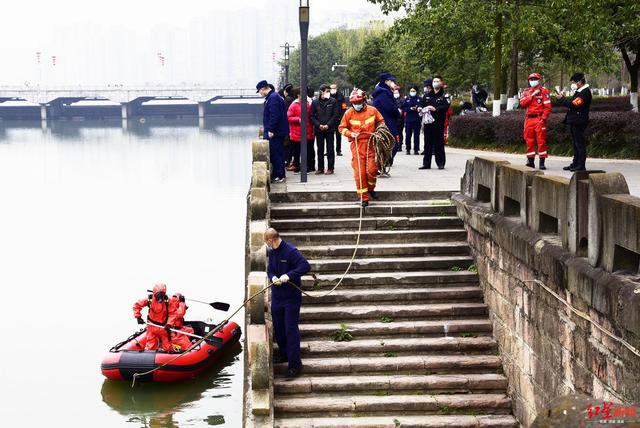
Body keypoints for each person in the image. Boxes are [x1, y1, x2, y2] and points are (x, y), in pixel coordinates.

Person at [265, 227, 310, 379]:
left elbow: (305, 266)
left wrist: (289, 276)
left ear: (272, 240)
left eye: (268, 242)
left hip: (291, 297)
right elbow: (270, 269)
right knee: (279, 327)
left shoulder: (291, 251)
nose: (268, 245)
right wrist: (272, 277)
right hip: (277, 297)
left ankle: (295, 364)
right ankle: (284, 354)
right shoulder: (271, 252)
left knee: (290, 329)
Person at [338, 88, 385, 207]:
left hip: (371, 143)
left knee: (372, 170)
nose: (357, 105)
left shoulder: (372, 110)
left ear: (363, 101)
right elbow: (341, 128)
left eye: (358, 103)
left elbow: (381, 122)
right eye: (354, 103)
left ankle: (370, 189)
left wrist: (380, 131)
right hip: (357, 145)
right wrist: (349, 134)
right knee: (360, 173)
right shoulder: (348, 113)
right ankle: (364, 198)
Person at [556, 72, 592, 171]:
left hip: (579, 122)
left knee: (580, 144)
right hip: (574, 121)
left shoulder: (585, 93)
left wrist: (561, 99)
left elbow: (574, 105)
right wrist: (563, 99)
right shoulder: (579, 91)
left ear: (580, 81)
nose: (573, 84)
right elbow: (572, 103)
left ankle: (581, 165)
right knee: (575, 144)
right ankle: (575, 163)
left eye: (574, 82)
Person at [257, 80, 289, 183]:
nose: (260, 93)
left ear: (263, 89)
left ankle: (280, 175)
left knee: (276, 153)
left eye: (259, 91)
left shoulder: (273, 98)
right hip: (277, 131)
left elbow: (274, 115)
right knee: (276, 153)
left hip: (275, 133)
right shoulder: (273, 97)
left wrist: (271, 130)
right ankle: (277, 174)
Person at [519, 72, 552, 170]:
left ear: (539, 80)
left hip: (539, 119)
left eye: (535, 79)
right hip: (529, 119)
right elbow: (522, 103)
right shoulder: (526, 91)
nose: (533, 81)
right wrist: (532, 95)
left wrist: (543, 118)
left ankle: (542, 162)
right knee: (529, 140)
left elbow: (548, 107)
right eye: (531, 79)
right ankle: (531, 162)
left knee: (541, 141)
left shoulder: (544, 91)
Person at [419, 76, 450, 170]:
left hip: (438, 122)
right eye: (434, 81)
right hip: (428, 122)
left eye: (437, 81)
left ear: (441, 83)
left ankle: (440, 163)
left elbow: (446, 106)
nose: (435, 82)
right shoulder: (427, 95)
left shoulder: (444, 95)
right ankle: (426, 163)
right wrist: (419, 108)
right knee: (427, 143)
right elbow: (422, 104)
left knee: (438, 143)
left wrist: (436, 109)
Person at [372, 72, 401, 170]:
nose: (392, 82)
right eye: (391, 80)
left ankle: (384, 162)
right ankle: (383, 163)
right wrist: (398, 113)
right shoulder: (383, 93)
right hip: (387, 121)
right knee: (393, 143)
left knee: (387, 143)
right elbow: (389, 107)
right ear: (386, 81)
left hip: (386, 120)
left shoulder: (383, 91)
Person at [311, 84, 340, 175]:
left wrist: (328, 125)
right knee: (320, 149)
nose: (328, 93)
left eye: (329, 91)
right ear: (321, 92)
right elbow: (312, 115)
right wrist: (318, 125)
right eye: (326, 91)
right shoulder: (315, 102)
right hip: (319, 129)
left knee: (330, 149)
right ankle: (320, 168)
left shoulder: (333, 101)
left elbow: (335, 115)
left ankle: (330, 168)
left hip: (330, 129)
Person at [133, 283, 171, 351]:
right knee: (151, 346)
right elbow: (137, 305)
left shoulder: (168, 301)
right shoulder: (149, 299)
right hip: (152, 327)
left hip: (164, 327)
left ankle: (168, 355)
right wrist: (138, 317)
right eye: (158, 295)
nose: (160, 298)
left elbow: (173, 313)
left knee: (168, 346)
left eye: (162, 295)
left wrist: (169, 323)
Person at [287, 87, 316, 173]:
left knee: (309, 150)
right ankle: (297, 166)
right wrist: (298, 119)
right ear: (298, 95)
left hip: (309, 131)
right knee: (297, 152)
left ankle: (310, 166)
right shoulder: (293, 105)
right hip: (297, 133)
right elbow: (289, 117)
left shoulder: (309, 103)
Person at [402, 85, 422, 155]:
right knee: (408, 135)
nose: (412, 92)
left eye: (414, 91)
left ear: (416, 91)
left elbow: (421, 106)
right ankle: (408, 149)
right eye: (411, 91)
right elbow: (404, 108)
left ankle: (416, 149)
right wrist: (410, 109)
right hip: (408, 120)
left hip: (417, 119)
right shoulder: (407, 99)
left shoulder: (419, 99)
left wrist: (418, 108)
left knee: (416, 136)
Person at [330, 84, 348, 156]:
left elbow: (344, 107)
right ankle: (329, 150)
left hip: (338, 119)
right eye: (331, 88)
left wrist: (341, 117)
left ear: (337, 88)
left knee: (338, 135)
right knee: (330, 136)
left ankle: (338, 150)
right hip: (330, 119)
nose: (333, 89)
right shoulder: (328, 96)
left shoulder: (341, 96)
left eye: (334, 88)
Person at [394, 85, 405, 157]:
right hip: (393, 118)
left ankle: (400, 145)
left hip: (400, 119)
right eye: (394, 92)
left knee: (399, 132)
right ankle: (395, 144)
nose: (395, 94)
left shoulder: (402, 100)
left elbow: (404, 108)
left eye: (397, 92)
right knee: (394, 132)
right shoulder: (391, 100)